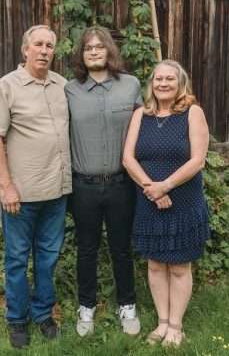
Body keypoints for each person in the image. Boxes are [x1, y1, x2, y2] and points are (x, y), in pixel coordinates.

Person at [0, 25, 70, 348]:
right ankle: (17, 320)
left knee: (48, 258)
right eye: (39, 44)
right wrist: (6, 186)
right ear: (25, 49)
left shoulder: (62, 86)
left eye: (50, 45)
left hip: (57, 192)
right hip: (20, 195)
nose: (45, 50)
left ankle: (43, 314)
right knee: (18, 259)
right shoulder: (7, 86)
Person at [122, 60, 211, 347]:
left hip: (183, 200)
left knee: (179, 266)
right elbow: (128, 159)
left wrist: (166, 186)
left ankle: (176, 326)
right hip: (148, 200)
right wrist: (153, 189)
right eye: (158, 78)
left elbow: (197, 160)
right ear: (151, 84)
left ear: (180, 83)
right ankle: (161, 322)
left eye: (169, 79)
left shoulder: (192, 113)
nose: (163, 83)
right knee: (156, 264)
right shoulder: (141, 115)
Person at [65, 26, 143, 337]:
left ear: (109, 51)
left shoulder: (131, 85)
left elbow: (145, 130)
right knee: (86, 249)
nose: (94, 51)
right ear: (82, 56)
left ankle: (127, 305)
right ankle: (86, 308)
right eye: (88, 48)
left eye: (100, 47)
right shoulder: (69, 90)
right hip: (83, 185)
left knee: (122, 248)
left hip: (122, 184)